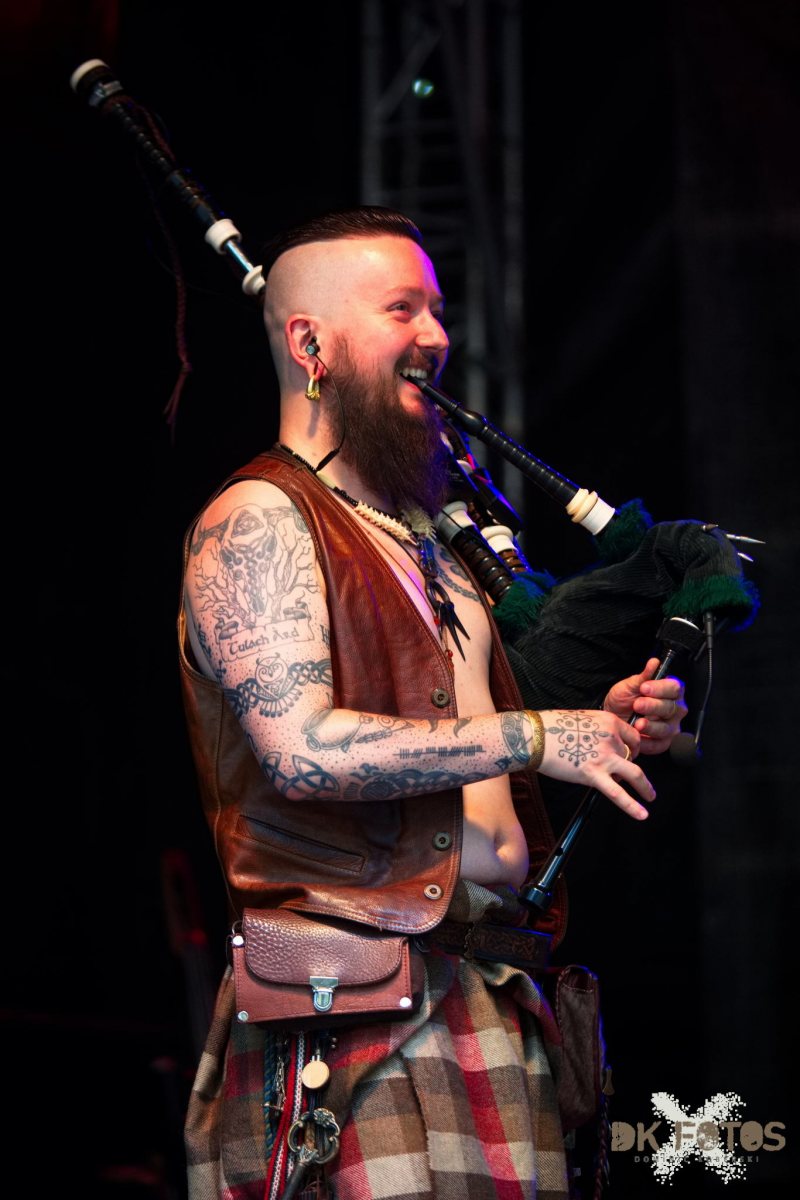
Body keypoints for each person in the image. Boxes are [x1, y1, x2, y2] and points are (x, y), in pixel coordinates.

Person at [178, 206, 687, 1200]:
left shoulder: (432, 542)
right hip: (348, 1010)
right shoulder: (260, 518)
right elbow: (302, 750)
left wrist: (600, 722)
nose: (436, 335)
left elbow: (473, 746)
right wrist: (534, 735)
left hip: (488, 983)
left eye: (438, 310)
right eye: (401, 309)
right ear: (310, 343)